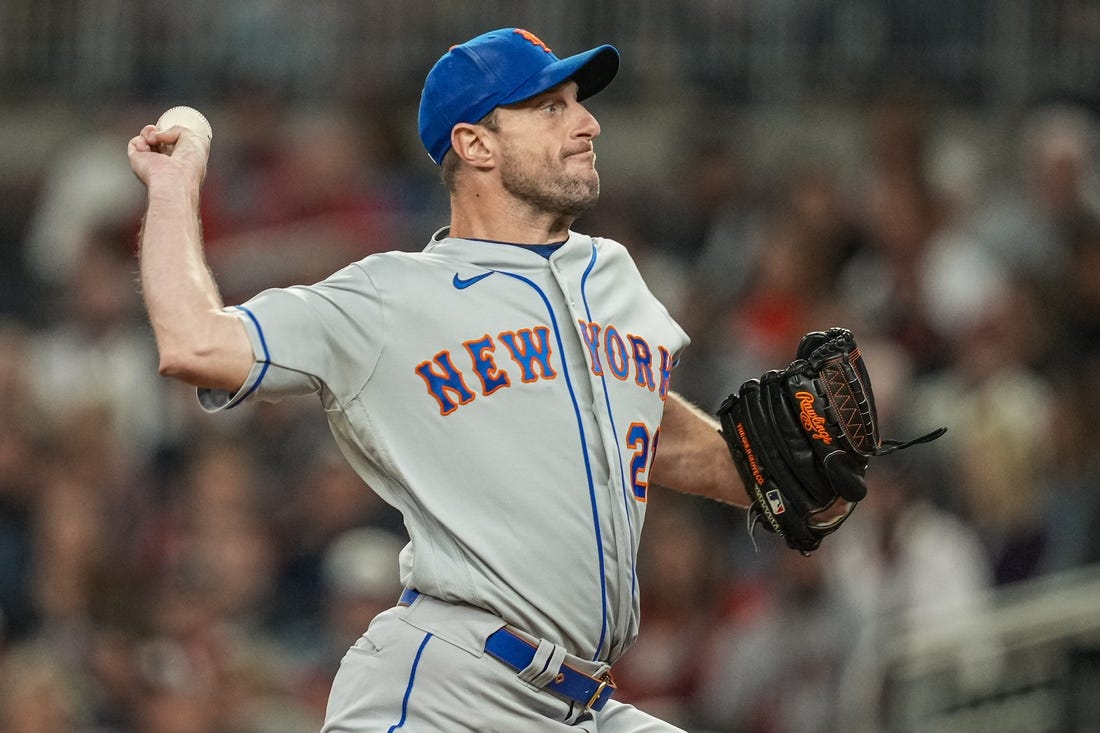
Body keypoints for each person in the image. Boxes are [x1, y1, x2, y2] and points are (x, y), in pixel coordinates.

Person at [128, 27, 752, 732]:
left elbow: (645, 428)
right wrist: (176, 187)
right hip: (446, 689)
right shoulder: (390, 297)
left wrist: (779, 473)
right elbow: (193, 342)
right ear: (476, 144)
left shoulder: (613, 276)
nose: (586, 123)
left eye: (577, 102)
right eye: (550, 107)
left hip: (583, 702)